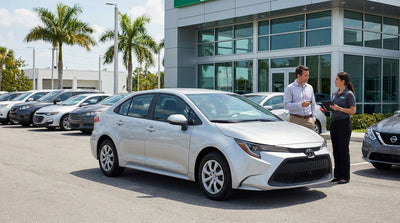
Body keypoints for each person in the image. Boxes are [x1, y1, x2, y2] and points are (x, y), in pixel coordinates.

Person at [329, 72, 356, 184]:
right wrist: (330, 108)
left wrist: (339, 109)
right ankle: (337, 175)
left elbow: (353, 111)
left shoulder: (349, 94)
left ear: (343, 81)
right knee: (336, 150)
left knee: (343, 150)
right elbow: (334, 108)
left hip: (344, 124)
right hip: (334, 123)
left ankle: (345, 176)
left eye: (337, 79)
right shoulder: (335, 94)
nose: (335, 81)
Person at [284, 65, 316, 130]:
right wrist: (301, 105)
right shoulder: (290, 88)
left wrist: (313, 118)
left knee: (310, 140)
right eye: (305, 75)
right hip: (295, 120)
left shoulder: (310, 87)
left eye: (308, 75)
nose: (308, 77)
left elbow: (313, 104)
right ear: (298, 75)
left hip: (309, 121)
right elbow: (286, 105)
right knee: (295, 139)